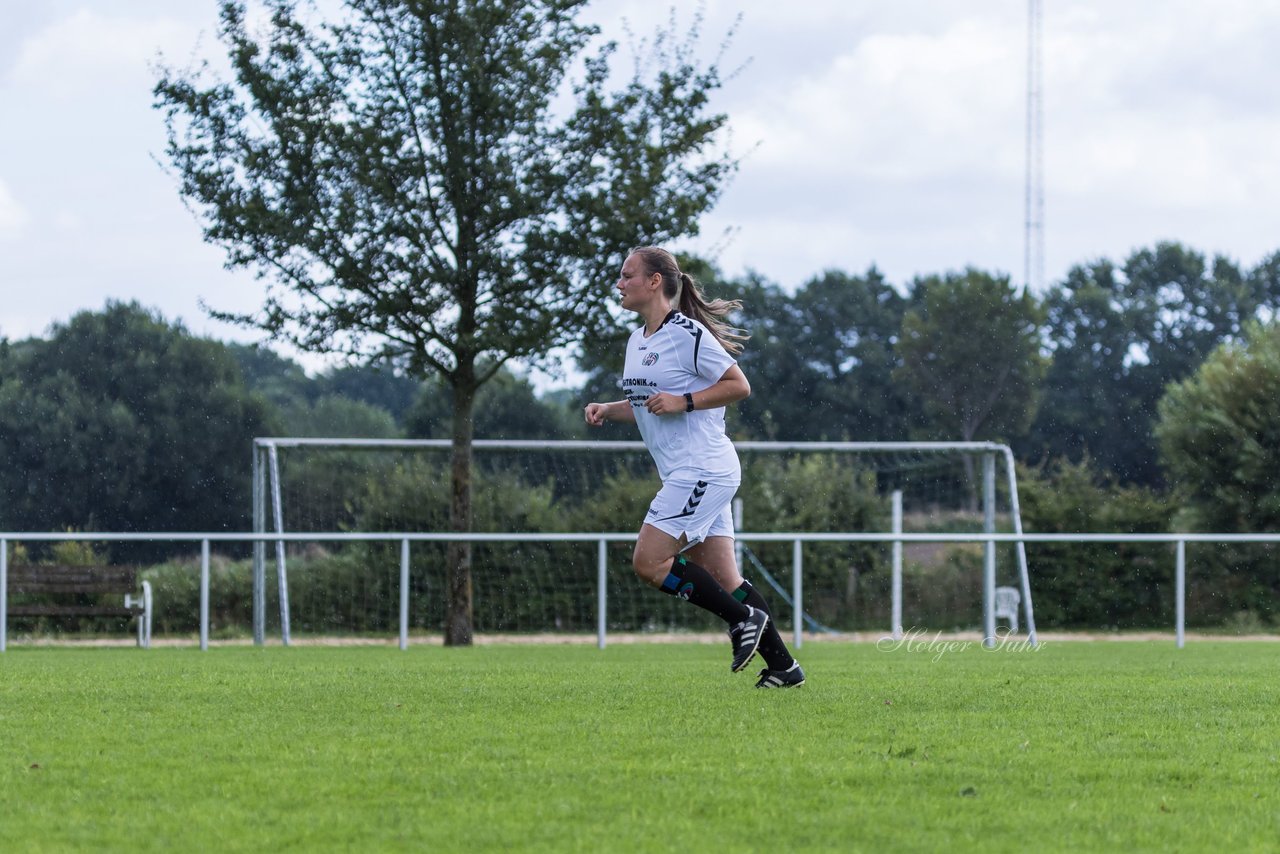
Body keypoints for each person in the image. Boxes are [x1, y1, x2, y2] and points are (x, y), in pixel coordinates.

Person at [584, 247, 805, 688]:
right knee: (725, 577)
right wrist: (610, 409)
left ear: (654, 282)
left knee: (649, 562)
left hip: (702, 469)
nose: (619, 283)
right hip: (690, 474)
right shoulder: (636, 340)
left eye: (627, 275)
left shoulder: (686, 333)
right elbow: (649, 403)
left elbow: (739, 386)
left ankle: (742, 619)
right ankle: (784, 668)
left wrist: (683, 401)